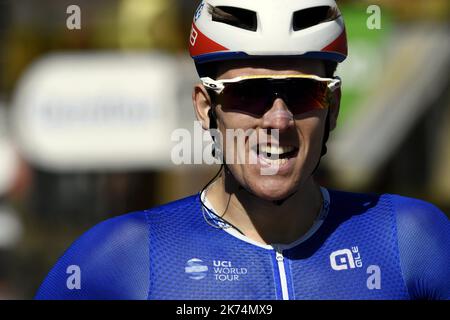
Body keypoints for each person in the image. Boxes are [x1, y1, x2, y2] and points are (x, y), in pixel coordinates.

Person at [36, 0, 449, 300]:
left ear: (333, 107)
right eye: (250, 95)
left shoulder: (412, 240)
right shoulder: (123, 255)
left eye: (303, 92)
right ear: (205, 107)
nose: (279, 120)